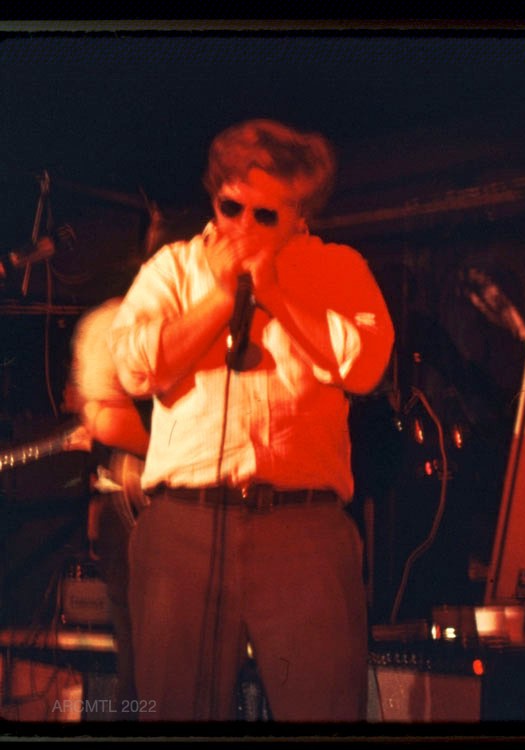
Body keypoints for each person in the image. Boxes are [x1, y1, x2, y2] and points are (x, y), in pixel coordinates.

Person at [108, 119, 395, 722]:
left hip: (303, 529)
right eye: (230, 206)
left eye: (264, 215)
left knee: (324, 710)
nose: (240, 227)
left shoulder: (337, 269)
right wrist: (217, 299)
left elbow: (365, 364)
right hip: (184, 525)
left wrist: (277, 295)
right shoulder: (174, 269)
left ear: (300, 216)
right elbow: (134, 366)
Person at [66, 295, 151, 717]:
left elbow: (101, 415)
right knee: (144, 657)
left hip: (140, 502)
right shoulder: (117, 318)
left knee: (140, 657)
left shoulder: (111, 318)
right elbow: (102, 415)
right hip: (134, 503)